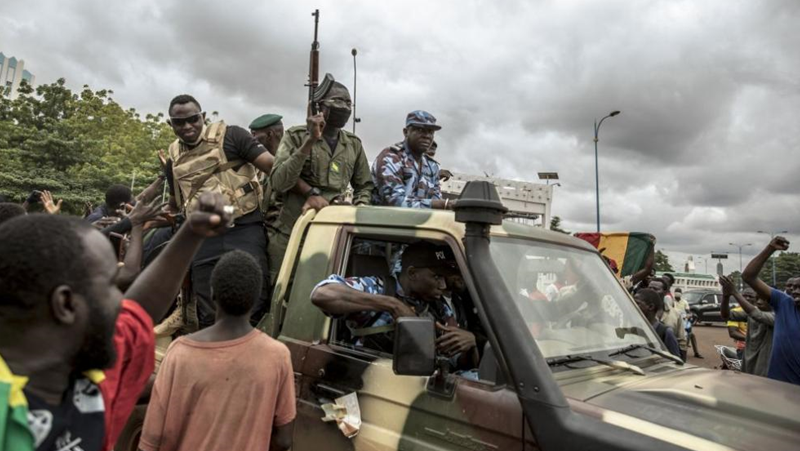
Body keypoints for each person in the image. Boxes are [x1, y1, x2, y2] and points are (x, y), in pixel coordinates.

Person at [0, 192, 233, 451]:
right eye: (111, 285)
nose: (121, 301)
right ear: (66, 304)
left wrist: (193, 231)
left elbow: (139, 310)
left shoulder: (81, 378)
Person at [139, 251, 295, 451]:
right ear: (257, 298)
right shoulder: (277, 355)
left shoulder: (180, 353)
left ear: (212, 293)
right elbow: (283, 441)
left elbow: (152, 439)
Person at [165, 94, 274, 329]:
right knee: (207, 306)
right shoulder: (173, 155)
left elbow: (273, 168)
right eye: (179, 122)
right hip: (204, 237)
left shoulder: (233, 135)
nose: (187, 127)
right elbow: (176, 201)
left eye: (193, 119)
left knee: (255, 298)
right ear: (170, 124)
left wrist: (310, 193)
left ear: (203, 117)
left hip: (244, 227)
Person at [269, 74, 373, 284]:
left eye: (348, 102)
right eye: (338, 101)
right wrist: (311, 140)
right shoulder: (296, 136)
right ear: (320, 107)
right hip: (293, 234)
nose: (344, 107)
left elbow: (364, 186)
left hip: (331, 237)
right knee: (282, 293)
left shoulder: (353, 144)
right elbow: (279, 181)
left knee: (323, 294)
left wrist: (357, 210)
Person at [311, 241, 478, 369]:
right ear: (412, 273)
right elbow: (322, 294)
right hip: (364, 378)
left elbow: (455, 364)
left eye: (444, 278)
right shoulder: (378, 288)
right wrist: (392, 305)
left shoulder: (438, 307)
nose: (443, 286)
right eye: (436, 277)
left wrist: (470, 343)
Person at [742, 236, 800, 385]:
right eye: (794, 288)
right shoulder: (785, 304)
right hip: (777, 386)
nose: (795, 292)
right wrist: (770, 248)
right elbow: (748, 276)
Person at [371, 110, 454, 210]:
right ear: (406, 132)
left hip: (419, 223)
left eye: (431, 132)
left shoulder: (432, 166)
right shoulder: (390, 158)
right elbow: (395, 202)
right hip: (383, 222)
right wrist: (445, 204)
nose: (427, 136)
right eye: (420, 130)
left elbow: (436, 200)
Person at [719, 276, 774, 377]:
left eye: (763, 299)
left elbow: (758, 315)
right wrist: (726, 296)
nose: (759, 302)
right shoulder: (750, 313)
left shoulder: (776, 316)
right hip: (748, 358)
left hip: (765, 362)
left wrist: (734, 292)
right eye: (757, 298)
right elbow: (725, 315)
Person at [250, 113, 286, 233]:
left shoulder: (289, 164)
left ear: (270, 134)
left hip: (280, 233)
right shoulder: (256, 165)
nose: (251, 139)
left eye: (254, 134)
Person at [634, 288, 681, 358]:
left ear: (650, 307)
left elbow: (675, 360)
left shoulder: (666, 333)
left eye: (637, 303)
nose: (634, 306)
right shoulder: (634, 328)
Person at [648, 277, 687, 360]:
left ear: (665, 292)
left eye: (655, 289)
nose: (651, 291)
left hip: (668, 362)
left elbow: (682, 342)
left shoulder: (675, 314)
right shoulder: (640, 312)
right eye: (649, 288)